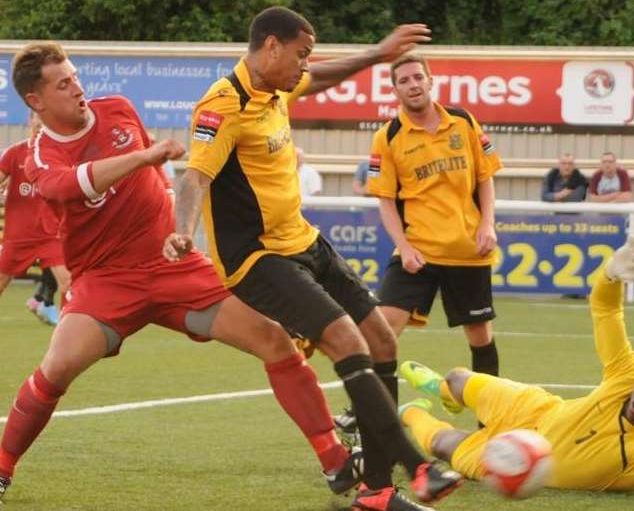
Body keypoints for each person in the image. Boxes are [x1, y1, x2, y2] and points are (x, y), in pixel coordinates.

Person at [0, 42, 366, 504]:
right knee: (56, 369)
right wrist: (142, 157)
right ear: (36, 101)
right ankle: (1, 469)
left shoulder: (117, 109)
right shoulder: (40, 154)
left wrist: (178, 229)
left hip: (174, 266)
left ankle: (334, 459)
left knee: (274, 340)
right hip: (106, 279)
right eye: (64, 83)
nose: (78, 87)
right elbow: (70, 185)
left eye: (75, 76)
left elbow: (162, 176)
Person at [164, 7, 462, 511]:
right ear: (271, 46)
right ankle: (419, 467)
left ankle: (375, 490)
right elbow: (195, 177)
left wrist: (377, 54)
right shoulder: (222, 104)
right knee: (345, 340)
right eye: (301, 54)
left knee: (382, 340)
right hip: (256, 257)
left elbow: (322, 76)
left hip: (303, 241)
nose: (307, 65)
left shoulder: (281, 85)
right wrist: (180, 231)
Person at [398, 235, 634, 491]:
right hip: (533, 410)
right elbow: (606, 310)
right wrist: (610, 275)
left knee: (445, 443)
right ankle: (442, 390)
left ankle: (410, 411)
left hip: (519, 458)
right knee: (459, 378)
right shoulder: (626, 376)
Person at [365, 54, 503, 406]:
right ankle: (374, 415)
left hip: (467, 250)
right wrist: (404, 247)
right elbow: (385, 200)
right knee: (382, 329)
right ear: (395, 90)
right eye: (403, 81)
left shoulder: (463, 121)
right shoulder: (388, 136)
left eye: (417, 78)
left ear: (430, 81)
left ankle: (490, 418)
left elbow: (485, 177)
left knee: (480, 335)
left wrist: (487, 223)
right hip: (418, 251)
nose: (412, 85)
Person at [0, 111, 70, 325]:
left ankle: (68, 333)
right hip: (18, 236)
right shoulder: (14, 153)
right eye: (38, 117)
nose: (41, 122)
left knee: (68, 284)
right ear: (31, 120)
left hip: (50, 235)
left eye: (47, 118)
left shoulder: (61, 154)